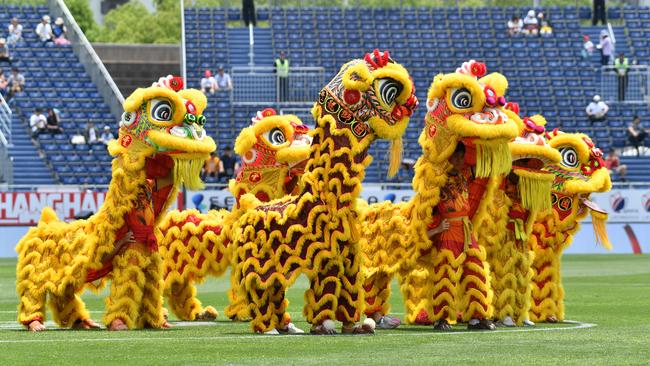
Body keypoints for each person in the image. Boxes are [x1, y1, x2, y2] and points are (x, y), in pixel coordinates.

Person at [425, 143, 496, 331]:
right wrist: (437, 228)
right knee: (445, 273)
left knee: (476, 270)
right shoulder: (438, 178)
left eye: (460, 157)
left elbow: (486, 167)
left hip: (466, 229)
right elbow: (426, 207)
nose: (458, 161)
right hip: (448, 230)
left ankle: (477, 316)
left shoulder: (465, 175)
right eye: (454, 157)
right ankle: (441, 318)